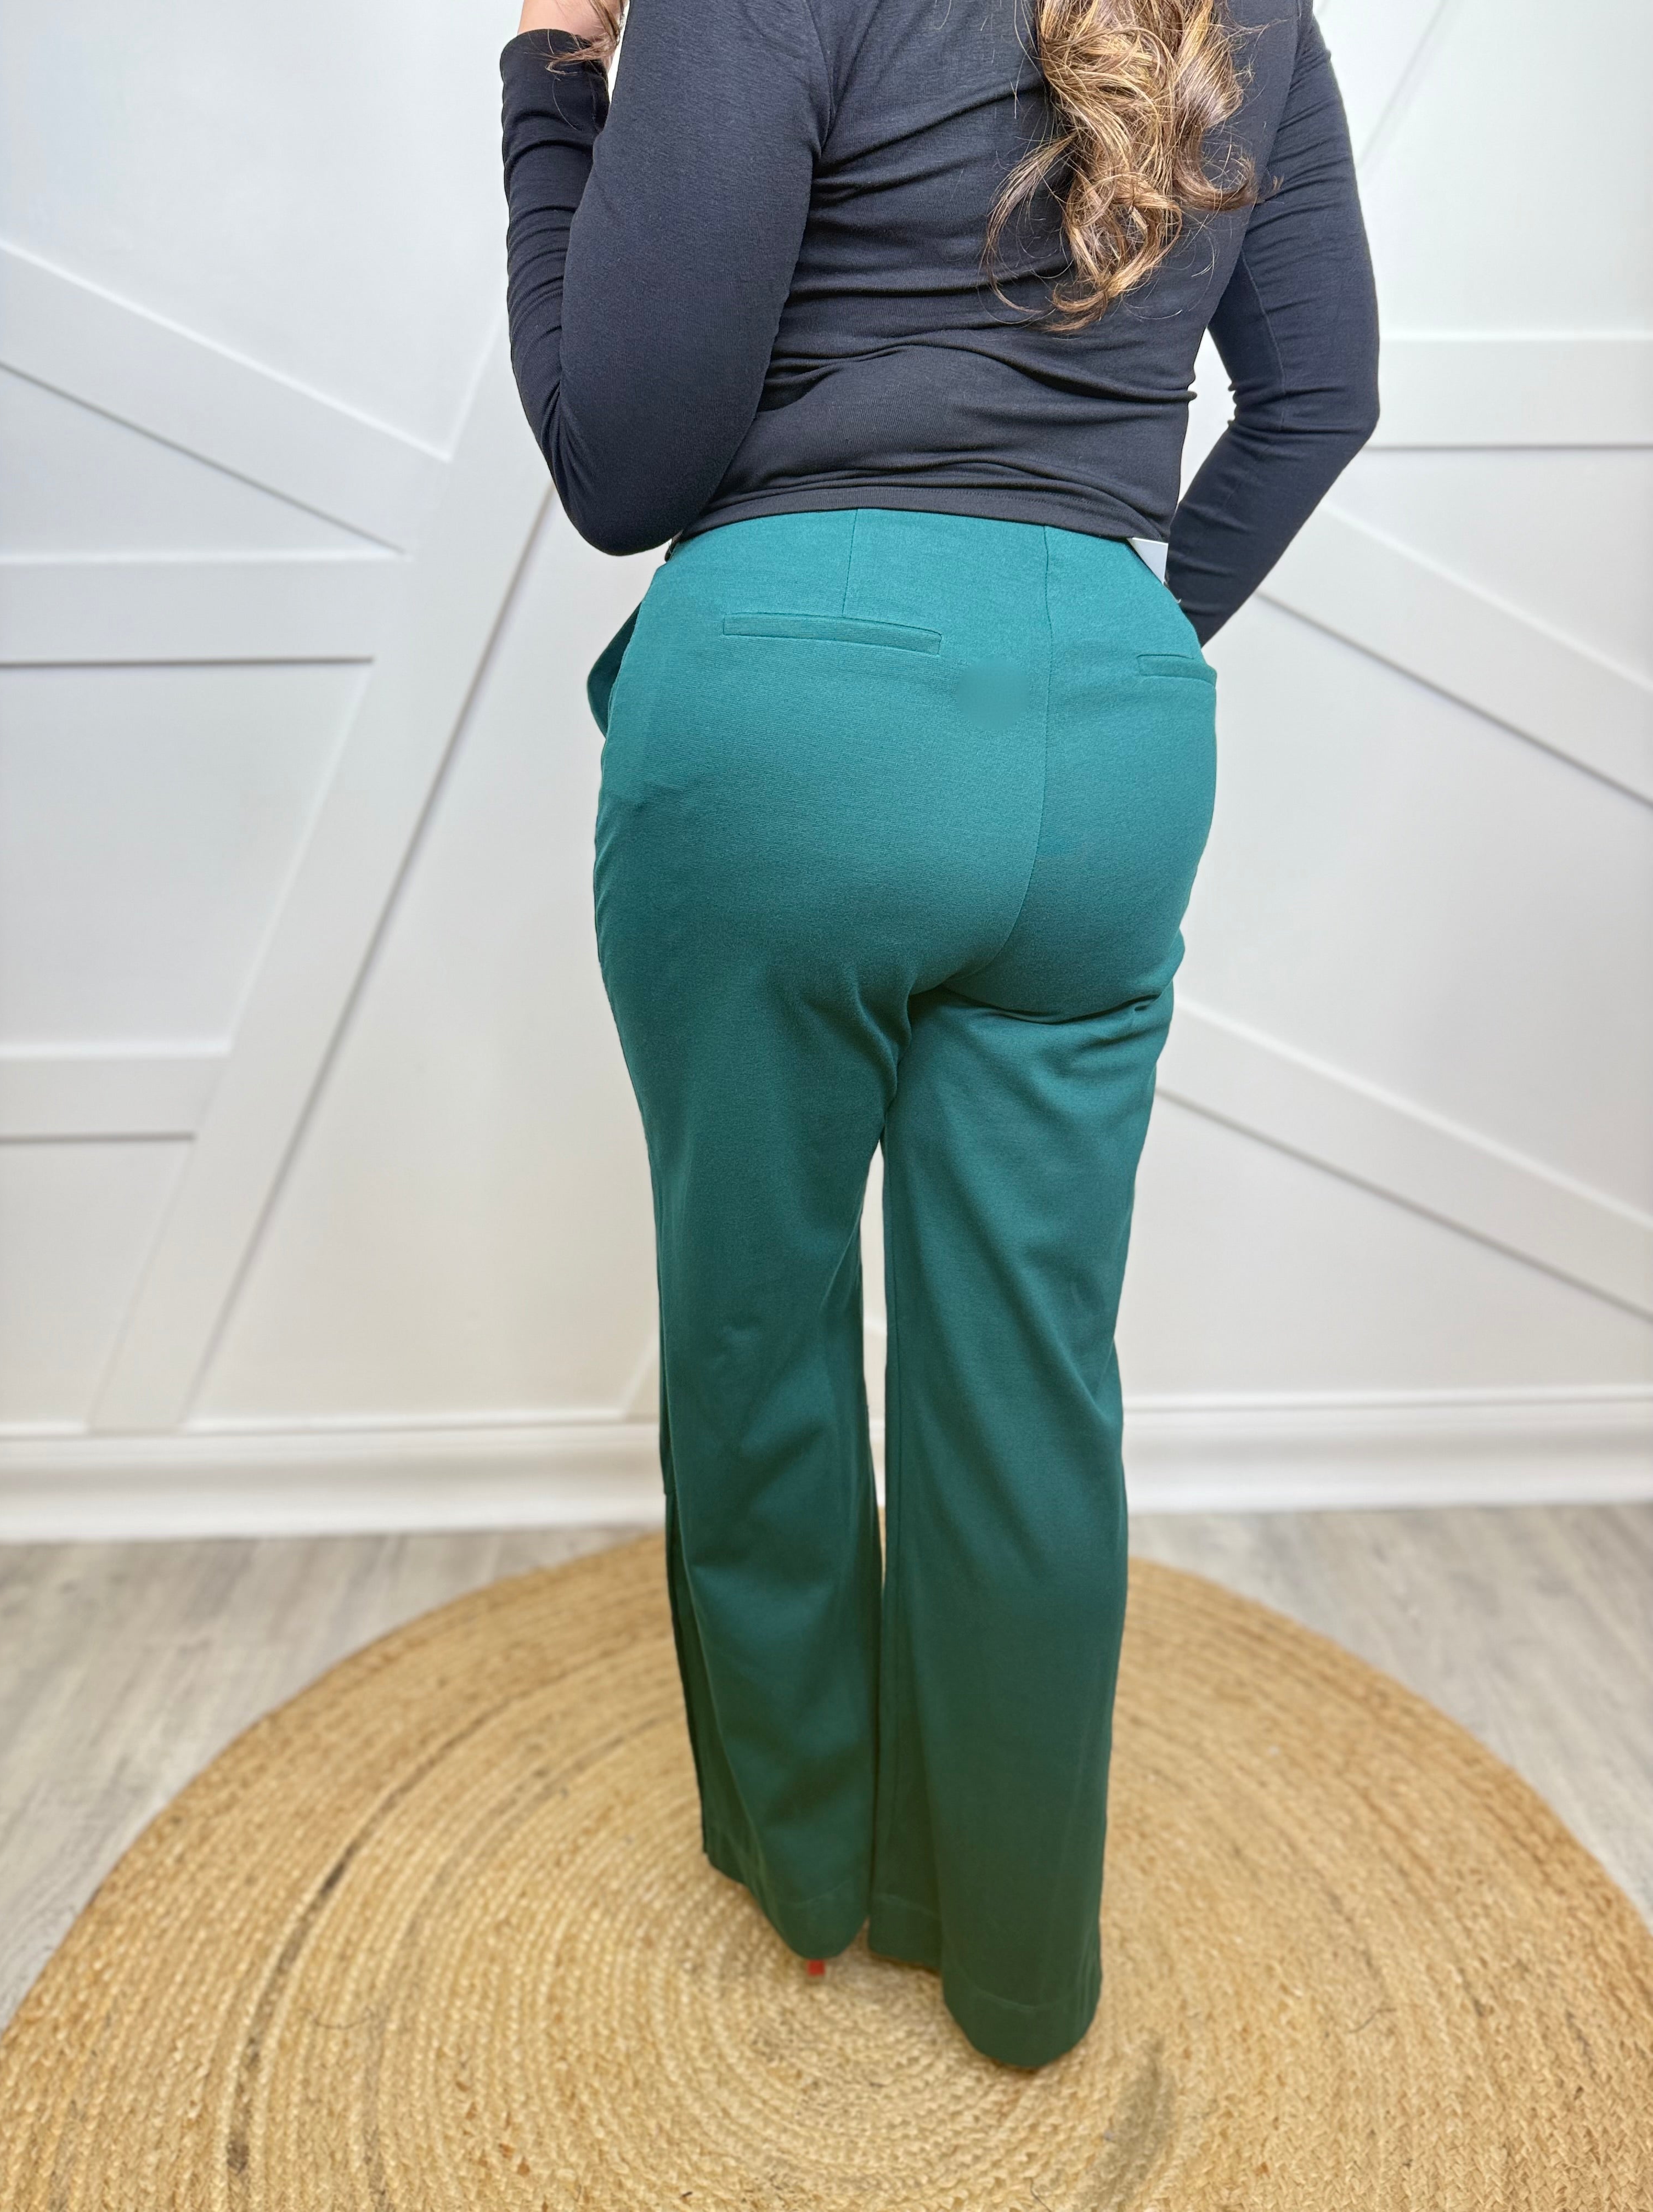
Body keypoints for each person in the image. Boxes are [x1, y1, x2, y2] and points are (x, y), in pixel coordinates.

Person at [498, 0, 1378, 2070]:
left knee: (757, 1323)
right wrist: (1109, 636)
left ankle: (813, 1880)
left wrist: (550, 86)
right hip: (1109, 728)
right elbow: (1323, 393)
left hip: (788, 708)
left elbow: (624, 465)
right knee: (1031, 1371)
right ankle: (1018, 1966)